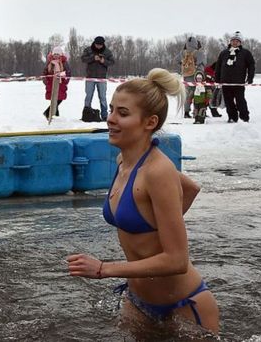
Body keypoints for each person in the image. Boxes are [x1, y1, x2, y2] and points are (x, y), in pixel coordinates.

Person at [67, 68, 219, 336]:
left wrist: (104, 269)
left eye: (122, 113)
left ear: (149, 122)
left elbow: (177, 260)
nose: (110, 119)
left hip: (184, 305)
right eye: (111, 109)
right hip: (139, 302)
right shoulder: (125, 161)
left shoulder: (158, 171)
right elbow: (191, 188)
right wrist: (160, 221)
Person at [215, 31, 255, 123]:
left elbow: (251, 65)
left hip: (239, 82)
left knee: (240, 101)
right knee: (229, 102)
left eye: (237, 41)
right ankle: (232, 117)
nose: (234, 42)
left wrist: (250, 78)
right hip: (225, 82)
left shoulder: (245, 53)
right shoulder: (224, 53)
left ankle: (244, 117)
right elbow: (218, 66)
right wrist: (217, 79)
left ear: (240, 42)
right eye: (233, 40)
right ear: (230, 41)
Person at [81, 36, 115, 121]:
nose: (98, 46)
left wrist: (104, 61)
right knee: (88, 96)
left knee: (103, 97)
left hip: (102, 78)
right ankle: (86, 114)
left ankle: (104, 115)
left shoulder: (107, 52)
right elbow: (83, 59)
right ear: (94, 43)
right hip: (90, 78)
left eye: (100, 45)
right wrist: (93, 58)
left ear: (103, 44)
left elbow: (112, 62)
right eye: (97, 44)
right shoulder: (88, 50)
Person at [178, 36, 205, 118]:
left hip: (186, 77)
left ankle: (186, 112)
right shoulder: (198, 52)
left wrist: (183, 65)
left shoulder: (183, 53)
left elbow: (175, 60)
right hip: (197, 76)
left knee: (187, 95)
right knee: (198, 94)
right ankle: (197, 111)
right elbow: (204, 61)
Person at [42, 46, 71, 118]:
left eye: (57, 54)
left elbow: (68, 72)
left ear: (60, 55)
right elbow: (45, 71)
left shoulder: (64, 62)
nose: (56, 56)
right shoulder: (49, 62)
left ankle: (48, 112)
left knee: (59, 98)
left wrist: (65, 79)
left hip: (61, 83)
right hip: (51, 83)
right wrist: (45, 80)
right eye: (55, 54)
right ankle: (55, 114)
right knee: (53, 98)